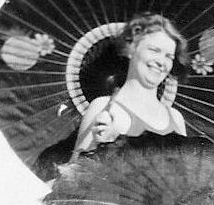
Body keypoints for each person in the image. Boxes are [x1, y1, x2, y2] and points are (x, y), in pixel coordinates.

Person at [72, 13, 188, 157]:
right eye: (154, 50)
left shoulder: (176, 119)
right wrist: (103, 148)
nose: (161, 62)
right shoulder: (103, 108)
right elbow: (74, 170)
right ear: (131, 49)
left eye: (169, 57)